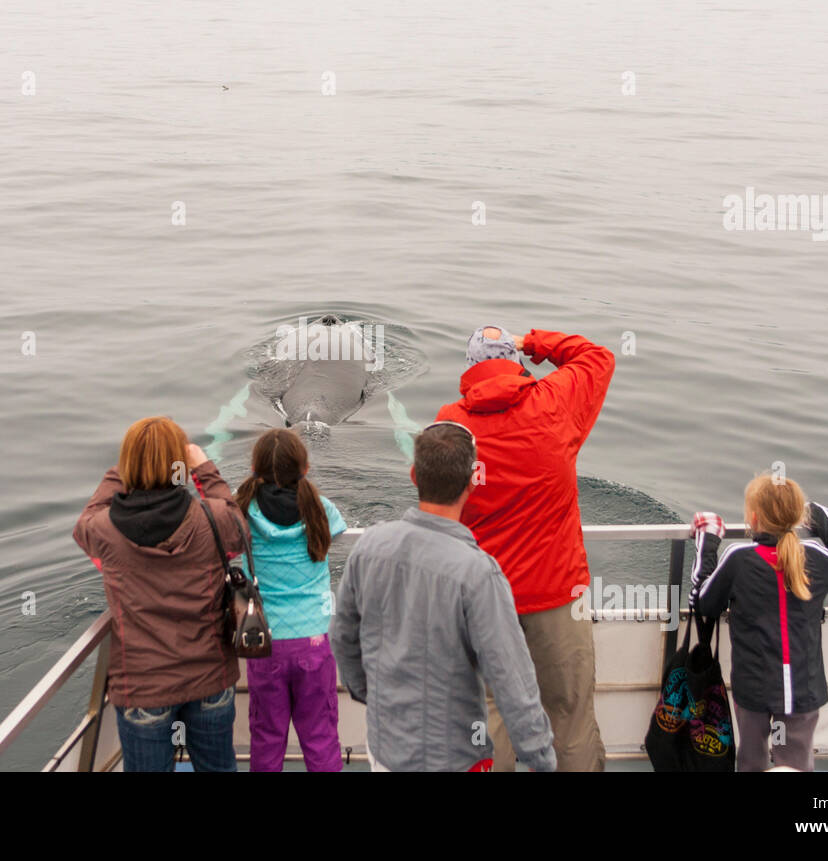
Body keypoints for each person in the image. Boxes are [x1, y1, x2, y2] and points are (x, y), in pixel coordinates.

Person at [433, 325, 614, 772]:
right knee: (568, 718)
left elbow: (432, 498)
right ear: (515, 362)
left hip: (485, 602)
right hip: (557, 597)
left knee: (489, 718)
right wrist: (532, 340)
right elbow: (596, 357)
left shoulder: (451, 425)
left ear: (470, 368)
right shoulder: (557, 401)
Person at [330, 422, 557, 772]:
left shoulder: (370, 547)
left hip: (384, 748)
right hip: (452, 759)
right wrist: (540, 757)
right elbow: (511, 679)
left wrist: (368, 694)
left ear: (413, 476)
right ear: (471, 485)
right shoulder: (479, 573)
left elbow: (343, 635)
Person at [72, 416, 249, 772]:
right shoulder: (212, 518)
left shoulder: (103, 530)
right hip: (210, 678)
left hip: (143, 687)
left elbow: (84, 522)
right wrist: (205, 469)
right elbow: (236, 521)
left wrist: (128, 468)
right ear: (180, 466)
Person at [688, 474, 828, 771]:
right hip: (803, 690)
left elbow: (702, 601)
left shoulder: (739, 558)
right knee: (796, 765)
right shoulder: (815, 558)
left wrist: (707, 540)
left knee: (750, 762)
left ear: (753, 518)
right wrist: (822, 517)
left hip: (754, 687)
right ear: (798, 517)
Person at [234, 428, 348, 772]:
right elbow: (337, 534)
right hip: (313, 643)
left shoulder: (244, 512)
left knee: (267, 737)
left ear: (254, 468)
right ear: (305, 468)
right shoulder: (320, 508)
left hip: (265, 644)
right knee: (320, 736)